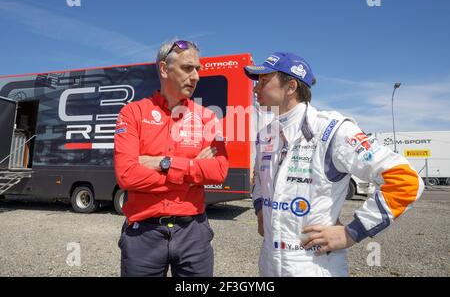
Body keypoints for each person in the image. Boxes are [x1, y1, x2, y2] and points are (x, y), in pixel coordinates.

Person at [244, 52, 424, 277]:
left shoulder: (332, 130)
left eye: (263, 81)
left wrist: (351, 233)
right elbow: (259, 179)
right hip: (269, 262)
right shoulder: (265, 135)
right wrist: (261, 210)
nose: (255, 89)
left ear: (290, 86)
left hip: (315, 266)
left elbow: (406, 181)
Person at [114, 39, 229, 277]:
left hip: (193, 233)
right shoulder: (133, 113)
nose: (196, 76)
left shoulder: (207, 118)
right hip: (143, 234)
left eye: (198, 69)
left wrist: (162, 163)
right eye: (188, 68)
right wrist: (193, 171)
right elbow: (127, 176)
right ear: (165, 69)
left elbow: (218, 171)